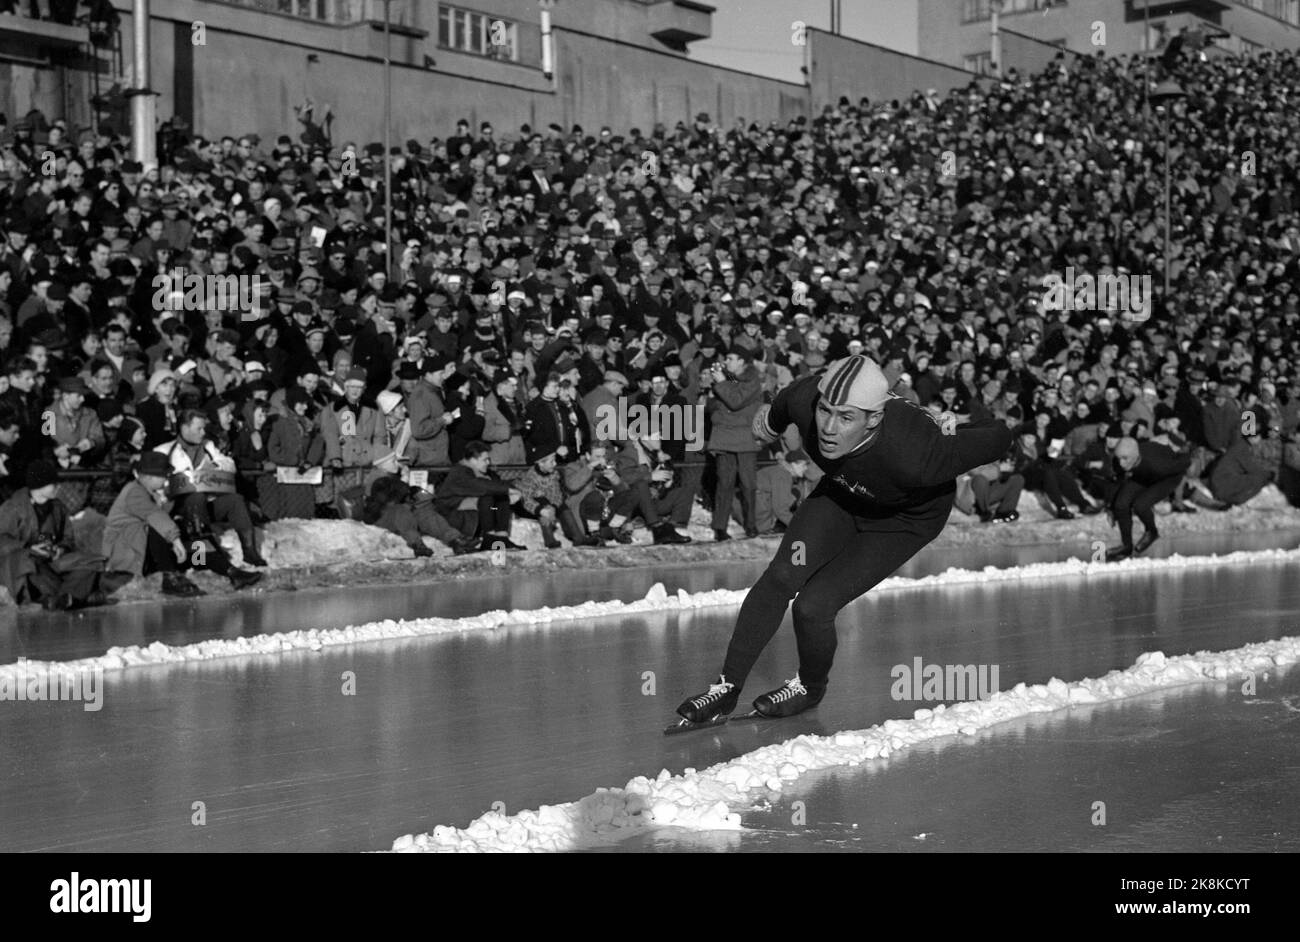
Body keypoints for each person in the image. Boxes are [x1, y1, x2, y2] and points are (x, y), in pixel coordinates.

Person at [672, 355, 1012, 729]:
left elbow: (999, 436)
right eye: (825, 412)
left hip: (901, 522)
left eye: (846, 417)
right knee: (782, 575)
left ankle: (810, 687)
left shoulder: (920, 452)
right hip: (843, 494)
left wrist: (961, 423)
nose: (829, 428)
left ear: (873, 419)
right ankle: (727, 687)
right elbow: (781, 406)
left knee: (814, 606)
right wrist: (768, 421)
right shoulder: (803, 397)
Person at [154, 409, 266, 586]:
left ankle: (249, 551)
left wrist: (214, 466)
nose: (203, 432)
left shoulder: (208, 446)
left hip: (206, 502)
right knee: (195, 499)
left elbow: (229, 465)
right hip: (179, 507)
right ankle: (200, 560)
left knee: (235, 500)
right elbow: (156, 484)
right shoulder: (165, 451)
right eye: (198, 429)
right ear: (184, 428)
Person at [0, 459, 109, 610]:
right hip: (26, 563)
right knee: (28, 563)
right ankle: (76, 598)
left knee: (92, 561)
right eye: (54, 483)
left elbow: (67, 538)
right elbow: (2, 540)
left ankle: (62, 599)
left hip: (52, 561)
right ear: (39, 486)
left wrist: (61, 549)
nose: (59, 486)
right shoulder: (13, 508)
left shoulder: (57, 507)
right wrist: (29, 548)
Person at [101, 451, 205, 598]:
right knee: (158, 529)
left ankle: (208, 567)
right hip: (124, 555)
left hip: (135, 547)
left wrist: (167, 498)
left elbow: (161, 513)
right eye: (164, 476)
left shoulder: (147, 491)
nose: (167, 479)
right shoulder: (134, 492)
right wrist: (175, 540)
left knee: (179, 526)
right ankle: (169, 577)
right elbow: (155, 516)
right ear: (150, 477)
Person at [1103, 437, 1193, 561]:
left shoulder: (1159, 465)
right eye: (1119, 458)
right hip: (1143, 474)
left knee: (1141, 505)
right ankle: (1126, 546)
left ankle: (1152, 532)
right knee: (1120, 504)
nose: (1121, 463)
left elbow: (1184, 461)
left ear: (1135, 455)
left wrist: (1184, 452)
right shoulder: (1119, 462)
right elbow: (1117, 484)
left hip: (1168, 477)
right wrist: (1111, 507)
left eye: (1125, 458)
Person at [706, 347, 762, 540]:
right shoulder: (728, 379)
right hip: (725, 437)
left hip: (744, 438)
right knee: (724, 483)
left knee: (748, 485)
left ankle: (751, 525)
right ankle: (720, 527)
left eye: (730, 358)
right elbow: (712, 403)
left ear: (742, 361)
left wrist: (721, 383)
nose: (726, 362)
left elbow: (735, 401)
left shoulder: (752, 380)